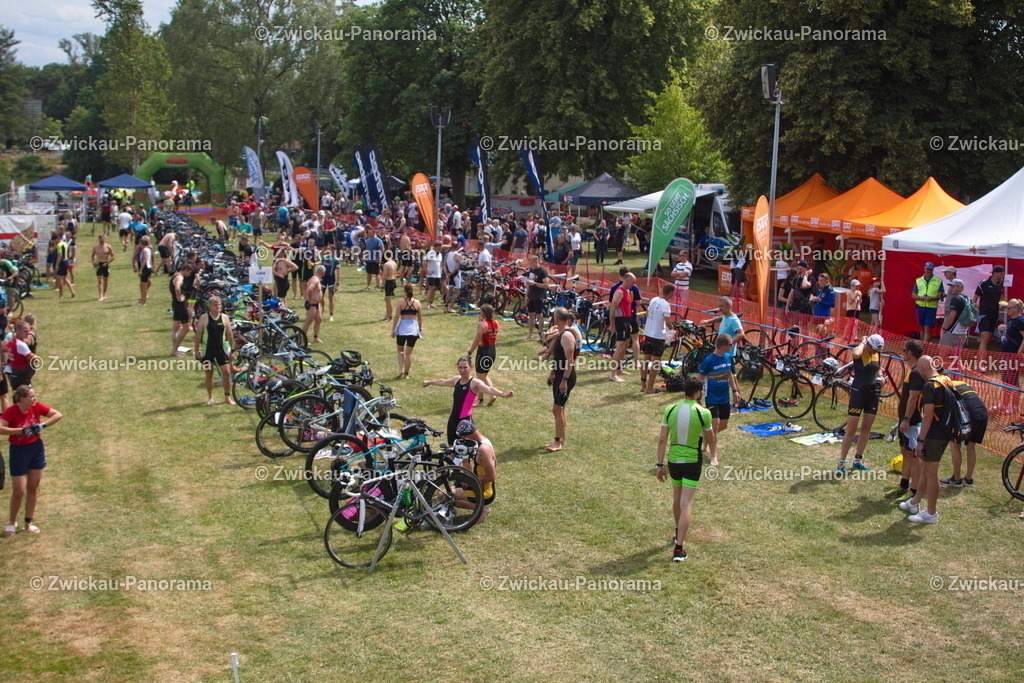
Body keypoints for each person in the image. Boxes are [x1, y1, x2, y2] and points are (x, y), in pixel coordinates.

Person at [655, 377, 716, 562]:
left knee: (677, 498)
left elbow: (662, 440)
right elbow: (711, 438)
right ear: (698, 392)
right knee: (686, 503)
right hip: (692, 460)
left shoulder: (670, 409)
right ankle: (679, 548)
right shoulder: (703, 412)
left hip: (673, 460)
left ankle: (677, 531)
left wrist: (659, 465)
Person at [1, 385, 63, 536]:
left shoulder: (36, 407)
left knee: (33, 488)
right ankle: (12, 522)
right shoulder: (11, 411)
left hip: (35, 449)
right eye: (32, 396)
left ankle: (28, 522)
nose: (34, 399)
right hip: (18, 451)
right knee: (19, 490)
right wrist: (22, 430)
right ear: (22, 398)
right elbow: (1, 428)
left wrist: (42, 425)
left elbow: (57, 415)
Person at [422, 356, 513, 445]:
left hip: (465, 422)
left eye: (465, 367)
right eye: (460, 367)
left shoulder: (475, 383)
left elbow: (489, 389)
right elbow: (442, 382)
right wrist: (429, 382)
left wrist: (503, 394)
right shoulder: (456, 379)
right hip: (452, 420)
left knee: (465, 451)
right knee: (451, 447)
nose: (462, 370)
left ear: (471, 368)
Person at [900, 355, 948, 523]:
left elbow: (927, 415)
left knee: (931, 473)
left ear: (923, 369)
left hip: (934, 434)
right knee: (926, 469)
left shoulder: (929, 386)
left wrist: (920, 440)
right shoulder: (946, 379)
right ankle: (915, 502)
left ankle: (931, 513)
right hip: (946, 432)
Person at [834, 334, 886, 475]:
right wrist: (863, 342)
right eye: (874, 349)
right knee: (851, 429)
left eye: (878, 350)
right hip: (858, 392)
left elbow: (878, 368)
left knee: (866, 428)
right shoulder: (861, 349)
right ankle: (842, 462)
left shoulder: (877, 353)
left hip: (872, 393)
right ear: (868, 344)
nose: (875, 352)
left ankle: (858, 459)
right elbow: (855, 353)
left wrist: (881, 377)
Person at [886, 340, 925, 501]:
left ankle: (914, 490)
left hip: (912, 421)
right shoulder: (913, 371)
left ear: (910, 352)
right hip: (906, 420)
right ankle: (904, 485)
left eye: (904, 350)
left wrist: (907, 419)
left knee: (913, 456)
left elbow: (913, 398)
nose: (902, 352)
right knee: (906, 453)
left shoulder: (916, 373)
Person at [696, 334, 740, 467]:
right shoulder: (709, 360)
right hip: (712, 397)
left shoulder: (728, 358)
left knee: (723, 425)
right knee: (714, 426)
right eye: (731, 345)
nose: (732, 347)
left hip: (724, 398)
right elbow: (699, 379)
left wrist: (735, 391)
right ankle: (713, 456)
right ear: (724, 346)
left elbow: (730, 375)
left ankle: (705, 435)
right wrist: (697, 397)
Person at [939, 378, 988, 488]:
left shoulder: (946, 387)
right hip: (983, 413)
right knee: (971, 446)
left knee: (954, 444)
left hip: (970, 414)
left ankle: (956, 479)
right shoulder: (962, 383)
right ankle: (968, 479)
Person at [544, 307, 578, 452]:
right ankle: (561, 439)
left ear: (557, 318)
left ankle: (558, 442)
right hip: (559, 375)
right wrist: (552, 373)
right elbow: (559, 358)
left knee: (557, 409)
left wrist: (564, 380)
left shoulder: (566, 336)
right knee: (559, 409)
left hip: (566, 377)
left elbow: (570, 361)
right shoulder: (561, 334)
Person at [450, 419, 497, 523]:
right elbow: (468, 465)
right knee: (441, 495)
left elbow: (491, 476)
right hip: (476, 484)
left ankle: (482, 509)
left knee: (448, 497)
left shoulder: (484, 449)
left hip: (485, 492)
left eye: (462, 438)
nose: (462, 440)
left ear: (469, 435)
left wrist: (470, 481)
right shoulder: (476, 444)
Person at [193, 296, 236, 406]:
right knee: (209, 373)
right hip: (208, 350)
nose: (218, 307)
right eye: (215, 305)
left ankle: (227, 397)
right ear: (209, 306)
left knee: (226, 373)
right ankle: (210, 398)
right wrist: (196, 350)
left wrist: (233, 350)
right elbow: (198, 335)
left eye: (219, 305)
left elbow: (230, 335)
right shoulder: (204, 318)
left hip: (220, 349)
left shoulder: (225, 318)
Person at [641, 283, 674, 394]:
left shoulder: (654, 300)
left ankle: (643, 384)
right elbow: (667, 320)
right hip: (658, 336)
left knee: (646, 360)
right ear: (670, 293)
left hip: (648, 333)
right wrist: (672, 328)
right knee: (655, 363)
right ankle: (650, 388)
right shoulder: (666, 304)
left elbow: (649, 313)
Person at [468, 304, 500, 404]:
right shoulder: (496, 323)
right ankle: (492, 395)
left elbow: (477, 340)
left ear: (484, 313)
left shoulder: (481, 325)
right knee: (484, 375)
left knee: (480, 378)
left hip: (483, 351)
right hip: (492, 351)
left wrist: (469, 352)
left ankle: (480, 401)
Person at [608, 272, 636, 382]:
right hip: (620, 320)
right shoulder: (619, 292)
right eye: (632, 282)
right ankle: (613, 374)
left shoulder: (628, 291)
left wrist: (628, 324)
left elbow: (627, 307)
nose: (633, 284)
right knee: (619, 346)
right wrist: (612, 323)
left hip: (626, 320)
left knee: (625, 345)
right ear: (627, 280)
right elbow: (612, 307)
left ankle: (619, 369)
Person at [392, 284, 422, 379]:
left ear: (404, 291)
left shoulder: (400, 302)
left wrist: (393, 330)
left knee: (400, 350)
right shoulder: (417, 302)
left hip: (402, 329)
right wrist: (419, 330)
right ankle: (406, 374)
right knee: (408, 353)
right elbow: (420, 318)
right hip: (413, 329)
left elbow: (396, 316)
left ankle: (401, 369)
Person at [973, 265, 1005, 357]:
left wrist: (1004, 304)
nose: (1003, 275)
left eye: (1003, 273)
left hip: (994, 314)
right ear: (994, 273)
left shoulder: (1000, 284)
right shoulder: (984, 283)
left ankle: (982, 360)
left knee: (988, 338)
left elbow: (1000, 298)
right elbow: (975, 298)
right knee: (985, 337)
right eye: (1001, 273)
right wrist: (976, 310)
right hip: (984, 314)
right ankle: (981, 364)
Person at [912, 262, 943, 343]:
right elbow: (913, 295)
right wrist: (920, 297)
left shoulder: (938, 281)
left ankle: (925, 346)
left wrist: (933, 298)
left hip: (931, 307)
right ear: (924, 269)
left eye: (930, 269)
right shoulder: (919, 280)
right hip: (920, 306)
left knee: (927, 328)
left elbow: (942, 295)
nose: (928, 271)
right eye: (927, 269)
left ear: (932, 270)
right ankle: (922, 344)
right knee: (922, 327)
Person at [997, 299, 1024, 388]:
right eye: (1006, 308)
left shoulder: (1020, 321)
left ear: (1016, 308)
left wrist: (1019, 353)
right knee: (1005, 379)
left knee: (1012, 379)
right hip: (1006, 352)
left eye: (1009, 308)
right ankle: (1005, 401)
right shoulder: (1010, 320)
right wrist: (1000, 329)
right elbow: (1006, 336)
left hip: (1014, 354)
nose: (1007, 310)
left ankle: (1014, 402)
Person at [523, 255, 551, 342]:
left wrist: (535, 283)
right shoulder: (531, 270)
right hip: (531, 295)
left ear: (536, 261)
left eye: (532, 262)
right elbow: (528, 284)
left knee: (539, 315)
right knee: (530, 314)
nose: (531, 264)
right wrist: (526, 295)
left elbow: (546, 285)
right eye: (530, 262)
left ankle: (540, 334)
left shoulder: (542, 271)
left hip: (539, 296)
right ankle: (530, 334)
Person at [169, 264, 194, 356]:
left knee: (176, 327)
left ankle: (175, 348)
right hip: (179, 304)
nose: (189, 275)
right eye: (189, 272)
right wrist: (179, 297)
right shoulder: (180, 277)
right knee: (186, 327)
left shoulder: (175, 275)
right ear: (186, 270)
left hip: (175, 303)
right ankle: (174, 350)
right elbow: (177, 288)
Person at [5, 321, 39, 390]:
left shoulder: (12, 342)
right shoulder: (20, 344)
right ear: (18, 331)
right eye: (25, 331)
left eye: (29, 331)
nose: (28, 333)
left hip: (14, 374)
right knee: (25, 396)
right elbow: (34, 358)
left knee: (17, 395)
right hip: (22, 376)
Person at [938, 279, 969, 351]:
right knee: (957, 357)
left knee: (942, 353)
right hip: (963, 332)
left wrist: (945, 328)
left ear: (959, 287)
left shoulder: (955, 299)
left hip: (952, 332)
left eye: (953, 287)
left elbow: (952, 316)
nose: (951, 289)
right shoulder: (967, 298)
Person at [302, 265, 325, 344]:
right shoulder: (315, 280)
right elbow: (309, 289)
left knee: (318, 319)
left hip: (317, 304)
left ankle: (316, 337)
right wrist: (310, 299)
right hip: (312, 304)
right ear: (321, 273)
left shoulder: (317, 279)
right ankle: (302, 339)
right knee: (308, 321)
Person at [91, 233, 115, 301]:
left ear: (104, 238)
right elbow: (92, 255)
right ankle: (100, 296)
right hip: (99, 264)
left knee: (105, 280)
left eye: (102, 238)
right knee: (100, 280)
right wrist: (93, 262)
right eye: (100, 238)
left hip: (105, 264)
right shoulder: (95, 247)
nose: (101, 239)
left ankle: (104, 293)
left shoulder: (108, 247)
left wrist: (107, 262)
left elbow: (113, 256)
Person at [320, 247, 340, 322]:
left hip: (331, 280)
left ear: (332, 250)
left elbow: (338, 273)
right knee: (320, 297)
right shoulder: (323, 258)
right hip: (323, 279)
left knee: (330, 298)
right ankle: (322, 310)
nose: (328, 250)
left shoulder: (336, 260)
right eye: (327, 249)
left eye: (329, 249)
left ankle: (331, 315)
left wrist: (337, 284)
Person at [54, 235, 75, 299]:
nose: (54, 242)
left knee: (59, 278)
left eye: (55, 240)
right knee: (65, 278)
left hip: (62, 262)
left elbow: (60, 255)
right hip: (66, 261)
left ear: (57, 239)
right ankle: (72, 291)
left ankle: (61, 295)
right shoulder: (65, 244)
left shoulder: (59, 245)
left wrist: (57, 264)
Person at [423, 240, 443, 307]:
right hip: (432, 275)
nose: (441, 248)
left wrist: (440, 270)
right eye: (440, 246)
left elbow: (440, 264)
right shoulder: (431, 253)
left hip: (437, 275)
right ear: (437, 246)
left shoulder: (439, 254)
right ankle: (428, 304)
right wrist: (427, 271)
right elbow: (424, 262)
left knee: (434, 289)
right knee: (431, 288)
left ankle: (431, 302)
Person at [381, 251, 398, 321]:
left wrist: (382, 286)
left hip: (389, 281)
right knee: (387, 299)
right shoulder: (394, 263)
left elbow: (385, 275)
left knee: (388, 301)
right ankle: (387, 315)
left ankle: (389, 316)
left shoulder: (386, 265)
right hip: (393, 281)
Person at [137, 235, 153, 306]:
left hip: (145, 268)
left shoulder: (144, 250)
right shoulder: (149, 249)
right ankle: (142, 299)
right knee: (145, 285)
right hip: (149, 267)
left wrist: (140, 269)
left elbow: (144, 260)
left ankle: (143, 301)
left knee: (144, 285)